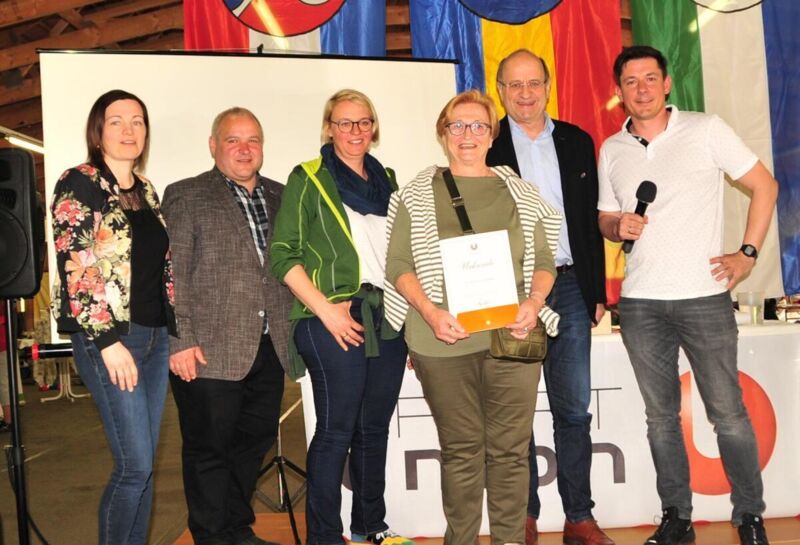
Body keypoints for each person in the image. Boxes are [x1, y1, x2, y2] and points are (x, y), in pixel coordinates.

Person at [597, 45, 778, 545]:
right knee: (661, 418)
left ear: (667, 83)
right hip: (640, 303)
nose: (641, 89)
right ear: (619, 92)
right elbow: (605, 218)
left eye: (649, 78)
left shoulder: (706, 129)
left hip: (703, 296)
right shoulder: (612, 148)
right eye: (630, 82)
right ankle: (677, 517)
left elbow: (765, 186)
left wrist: (747, 253)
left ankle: (750, 516)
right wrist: (616, 225)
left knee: (728, 414)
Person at [385, 89, 561, 545]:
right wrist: (430, 312)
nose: (468, 134)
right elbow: (398, 264)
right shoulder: (416, 195)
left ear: (492, 135)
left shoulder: (521, 193)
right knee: (461, 452)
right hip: (442, 340)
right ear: (443, 134)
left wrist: (533, 302)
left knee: (510, 453)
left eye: (479, 125)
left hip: (512, 336)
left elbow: (545, 261)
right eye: (457, 125)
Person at [270, 89, 411, 545]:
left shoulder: (387, 181)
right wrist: (325, 310)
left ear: (373, 127)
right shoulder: (309, 178)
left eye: (363, 121)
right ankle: (325, 537)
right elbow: (282, 254)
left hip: (385, 318)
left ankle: (371, 526)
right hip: (330, 316)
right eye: (344, 122)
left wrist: (409, 318)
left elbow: (399, 257)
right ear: (329, 128)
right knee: (336, 431)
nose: (355, 131)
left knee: (373, 429)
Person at [486, 49, 611, 545]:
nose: (525, 93)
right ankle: (523, 516)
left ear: (548, 85)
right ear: (500, 91)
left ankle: (579, 517)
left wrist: (596, 290)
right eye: (514, 85)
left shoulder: (577, 141)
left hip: (572, 286)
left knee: (574, 409)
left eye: (533, 83)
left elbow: (589, 221)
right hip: (511, 290)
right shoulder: (487, 144)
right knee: (515, 410)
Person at [162, 107, 293, 545]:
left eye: (253, 140)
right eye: (233, 140)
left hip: (269, 347)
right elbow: (172, 272)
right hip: (207, 350)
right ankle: (212, 536)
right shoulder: (187, 194)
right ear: (213, 145)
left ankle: (237, 529)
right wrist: (180, 340)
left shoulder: (281, 195)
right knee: (208, 450)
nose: (244, 149)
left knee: (252, 443)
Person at [50, 89, 175, 545]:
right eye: (117, 121)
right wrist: (106, 341)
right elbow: (76, 263)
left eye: (137, 121)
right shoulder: (80, 182)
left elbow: (158, 268)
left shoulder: (147, 190)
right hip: (111, 338)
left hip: (155, 339)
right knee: (134, 466)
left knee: (144, 470)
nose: (129, 130)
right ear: (98, 132)